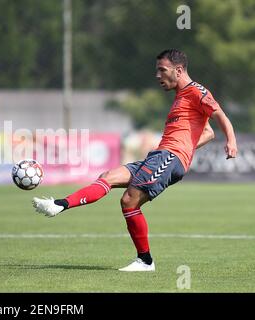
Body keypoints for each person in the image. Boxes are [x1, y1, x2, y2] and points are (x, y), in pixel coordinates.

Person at [32, 49, 238, 272]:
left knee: (129, 200)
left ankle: (145, 261)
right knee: (108, 176)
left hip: (170, 157)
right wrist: (187, 146)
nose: (158, 75)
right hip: (160, 155)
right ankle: (58, 205)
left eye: (162, 70)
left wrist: (232, 141)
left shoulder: (196, 91)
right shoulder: (181, 97)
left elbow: (220, 115)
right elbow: (208, 132)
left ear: (178, 71)